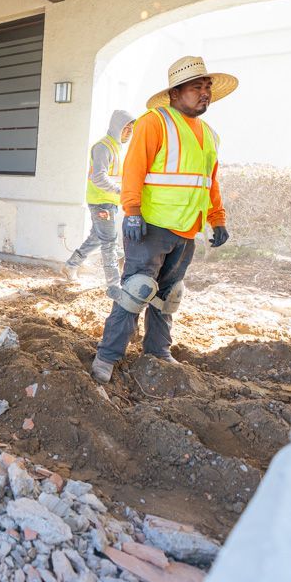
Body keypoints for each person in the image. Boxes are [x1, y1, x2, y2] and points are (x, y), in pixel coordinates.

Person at [90, 56, 235, 384]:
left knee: (169, 295)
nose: (205, 93)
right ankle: (107, 357)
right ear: (174, 93)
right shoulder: (155, 122)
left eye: (207, 87)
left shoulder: (210, 135)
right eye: (197, 87)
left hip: (186, 231)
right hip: (150, 227)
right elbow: (134, 170)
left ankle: (157, 350)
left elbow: (208, 182)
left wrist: (217, 219)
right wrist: (132, 210)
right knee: (136, 290)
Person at [65, 109, 135, 286]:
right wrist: (120, 191)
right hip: (101, 202)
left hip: (109, 201)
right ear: (116, 127)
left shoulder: (118, 148)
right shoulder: (104, 147)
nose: (129, 132)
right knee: (109, 242)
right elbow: (98, 177)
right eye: (126, 128)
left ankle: (71, 265)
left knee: (97, 237)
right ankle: (113, 283)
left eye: (131, 129)